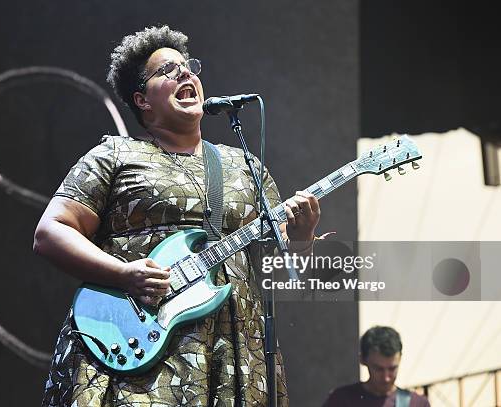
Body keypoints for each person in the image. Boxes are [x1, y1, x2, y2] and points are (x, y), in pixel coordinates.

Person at [34, 25, 320, 406]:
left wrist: (300, 238)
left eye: (188, 67)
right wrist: (124, 273)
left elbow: (276, 265)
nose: (186, 74)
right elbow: (51, 232)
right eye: (167, 70)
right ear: (142, 99)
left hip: (232, 348)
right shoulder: (116, 156)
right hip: (135, 344)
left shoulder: (245, 165)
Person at [322, 326, 430, 407]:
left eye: (392, 368)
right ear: (362, 360)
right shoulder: (341, 400)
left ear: (400, 358)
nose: (386, 377)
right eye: (378, 369)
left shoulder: (417, 403)